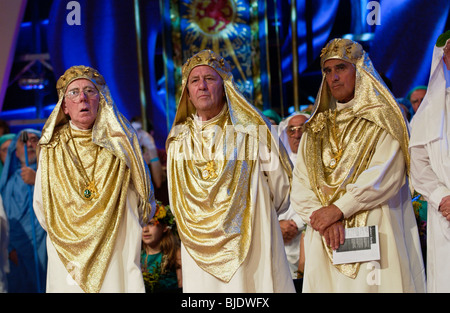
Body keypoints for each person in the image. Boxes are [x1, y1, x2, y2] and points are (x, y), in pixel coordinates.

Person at [290, 38, 426, 292]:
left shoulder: (386, 118)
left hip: (376, 227)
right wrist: (324, 218)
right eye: (327, 71)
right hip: (325, 237)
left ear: (360, 69)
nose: (334, 77)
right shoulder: (315, 128)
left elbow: (385, 174)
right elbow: (300, 184)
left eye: (341, 68)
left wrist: (338, 209)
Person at [166, 49, 295, 293]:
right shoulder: (178, 139)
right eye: (195, 80)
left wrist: (257, 212)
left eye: (210, 78)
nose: (202, 86)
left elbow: (281, 187)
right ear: (188, 94)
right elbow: (175, 200)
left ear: (225, 87)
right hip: (198, 246)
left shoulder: (253, 129)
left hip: (253, 235)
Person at [33, 65, 156, 293]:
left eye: (90, 91)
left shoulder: (122, 142)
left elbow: (144, 198)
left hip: (116, 245)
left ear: (101, 100)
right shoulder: (51, 148)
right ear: (65, 107)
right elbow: (41, 205)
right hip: (67, 254)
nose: (82, 98)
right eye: (74, 92)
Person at [409, 30, 450, 292]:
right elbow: (418, 164)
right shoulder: (429, 111)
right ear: (443, 59)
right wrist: (442, 198)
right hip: (445, 213)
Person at [1, 129, 46, 293]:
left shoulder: (52, 176)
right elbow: (4, 218)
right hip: (16, 254)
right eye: (24, 141)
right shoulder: (9, 184)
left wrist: (38, 181)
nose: (29, 144)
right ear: (16, 150)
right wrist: (10, 247)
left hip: (47, 248)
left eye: (34, 140)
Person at [277, 112, 309, 286]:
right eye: (292, 130)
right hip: (280, 239)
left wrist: (296, 223)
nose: (297, 134)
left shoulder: (322, 162)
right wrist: (277, 225)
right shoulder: (277, 165)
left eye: (302, 128)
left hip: (308, 234)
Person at [141, 201, 181, 293]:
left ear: (164, 227)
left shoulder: (174, 254)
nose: (145, 229)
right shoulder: (137, 256)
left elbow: (181, 284)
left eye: (151, 224)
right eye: (142, 224)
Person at [131, 118, 164, 189]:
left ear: (150, 133)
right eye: (132, 130)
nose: (136, 134)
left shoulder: (163, 155)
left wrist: (152, 149)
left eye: (139, 130)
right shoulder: (128, 157)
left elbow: (159, 183)